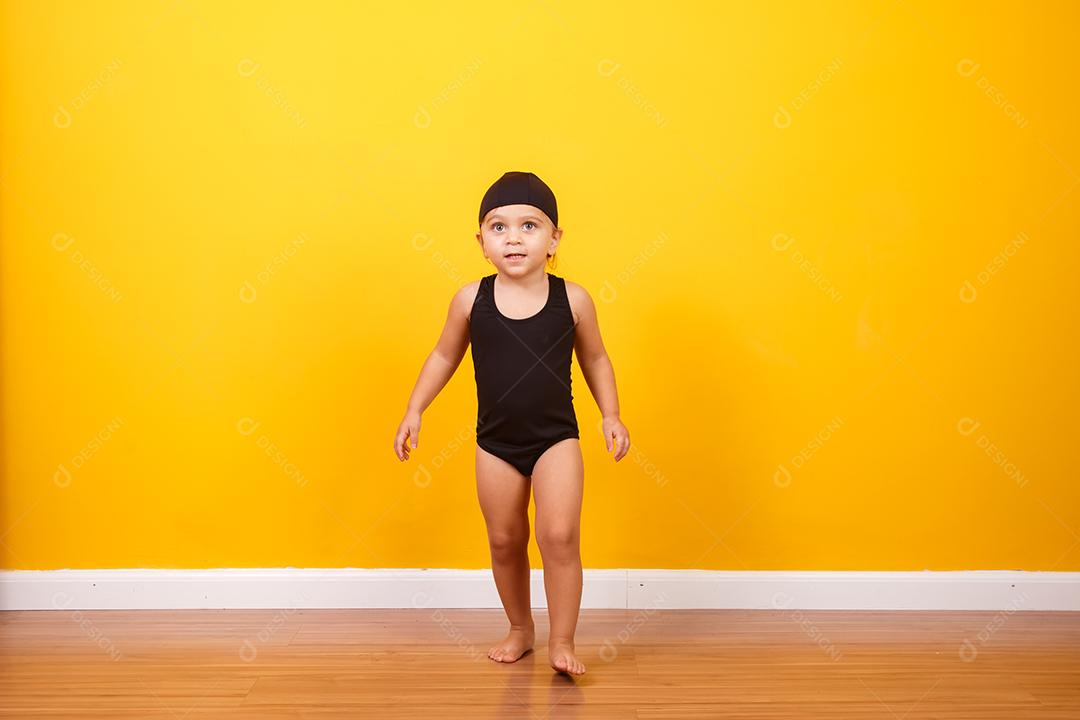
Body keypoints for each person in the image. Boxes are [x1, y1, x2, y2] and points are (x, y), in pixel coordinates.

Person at [393, 170, 630, 676]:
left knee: (560, 535)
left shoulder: (575, 299)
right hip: (495, 443)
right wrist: (415, 409)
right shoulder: (469, 300)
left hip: (555, 440)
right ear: (481, 243)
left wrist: (610, 414)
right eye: (498, 228)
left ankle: (562, 641)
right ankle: (521, 628)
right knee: (504, 539)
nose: (514, 238)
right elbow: (442, 357)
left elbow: (597, 361)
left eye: (529, 226)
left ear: (554, 240)